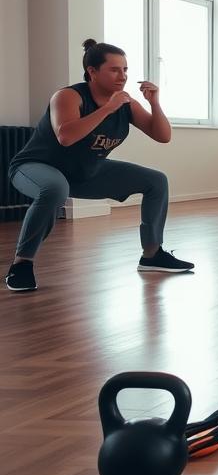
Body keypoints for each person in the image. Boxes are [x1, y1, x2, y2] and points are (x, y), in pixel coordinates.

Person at [5, 39, 194, 292]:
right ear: (92, 72)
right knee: (54, 188)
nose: (123, 76)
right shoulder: (68, 96)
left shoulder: (124, 103)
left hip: (85, 173)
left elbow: (162, 136)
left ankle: (152, 255)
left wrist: (154, 103)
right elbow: (66, 136)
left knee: (156, 180)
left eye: (125, 69)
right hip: (34, 167)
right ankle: (21, 265)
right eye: (115, 69)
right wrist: (107, 109)